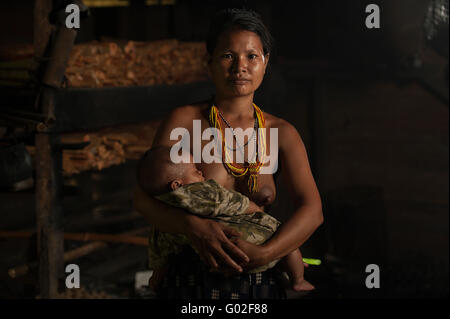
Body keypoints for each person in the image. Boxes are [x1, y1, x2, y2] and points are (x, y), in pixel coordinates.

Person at [133, 8, 323, 299]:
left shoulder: (282, 132)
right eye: (227, 56)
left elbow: (313, 211)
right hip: (189, 281)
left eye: (252, 56)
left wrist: (265, 253)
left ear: (265, 62)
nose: (240, 67)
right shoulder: (185, 121)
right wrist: (192, 226)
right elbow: (143, 199)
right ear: (209, 63)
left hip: (259, 284)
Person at [137, 146, 315, 292]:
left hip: (217, 263)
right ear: (177, 185)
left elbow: (159, 252)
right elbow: (228, 201)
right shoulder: (198, 192)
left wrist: (157, 275)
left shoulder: (163, 217)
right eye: (194, 170)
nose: (200, 172)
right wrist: (253, 209)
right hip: (245, 246)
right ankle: (297, 280)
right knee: (289, 247)